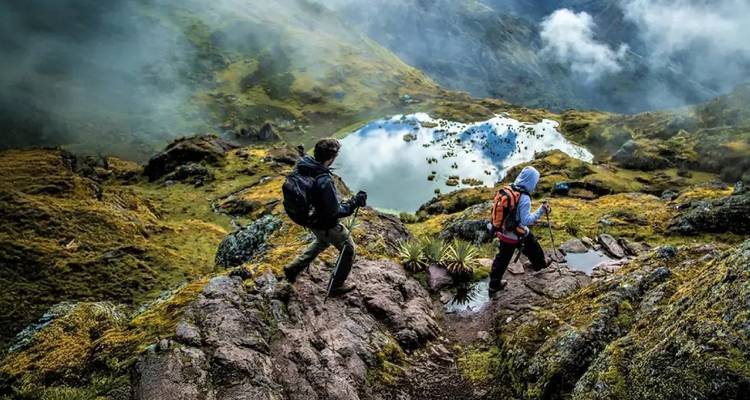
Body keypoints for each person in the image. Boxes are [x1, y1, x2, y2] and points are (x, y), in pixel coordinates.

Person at [283, 138, 367, 296]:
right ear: (332, 157)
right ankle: (336, 287)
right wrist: (354, 202)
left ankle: (293, 268)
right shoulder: (324, 180)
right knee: (348, 249)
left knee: (322, 242)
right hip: (324, 224)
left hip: (307, 218)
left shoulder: (304, 166)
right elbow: (334, 212)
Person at [488, 166, 550, 294]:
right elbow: (526, 220)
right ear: (531, 181)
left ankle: (494, 284)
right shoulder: (524, 198)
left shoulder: (509, 189)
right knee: (533, 246)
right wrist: (541, 210)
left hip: (503, 231)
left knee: (502, 259)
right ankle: (540, 265)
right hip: (516, 234)